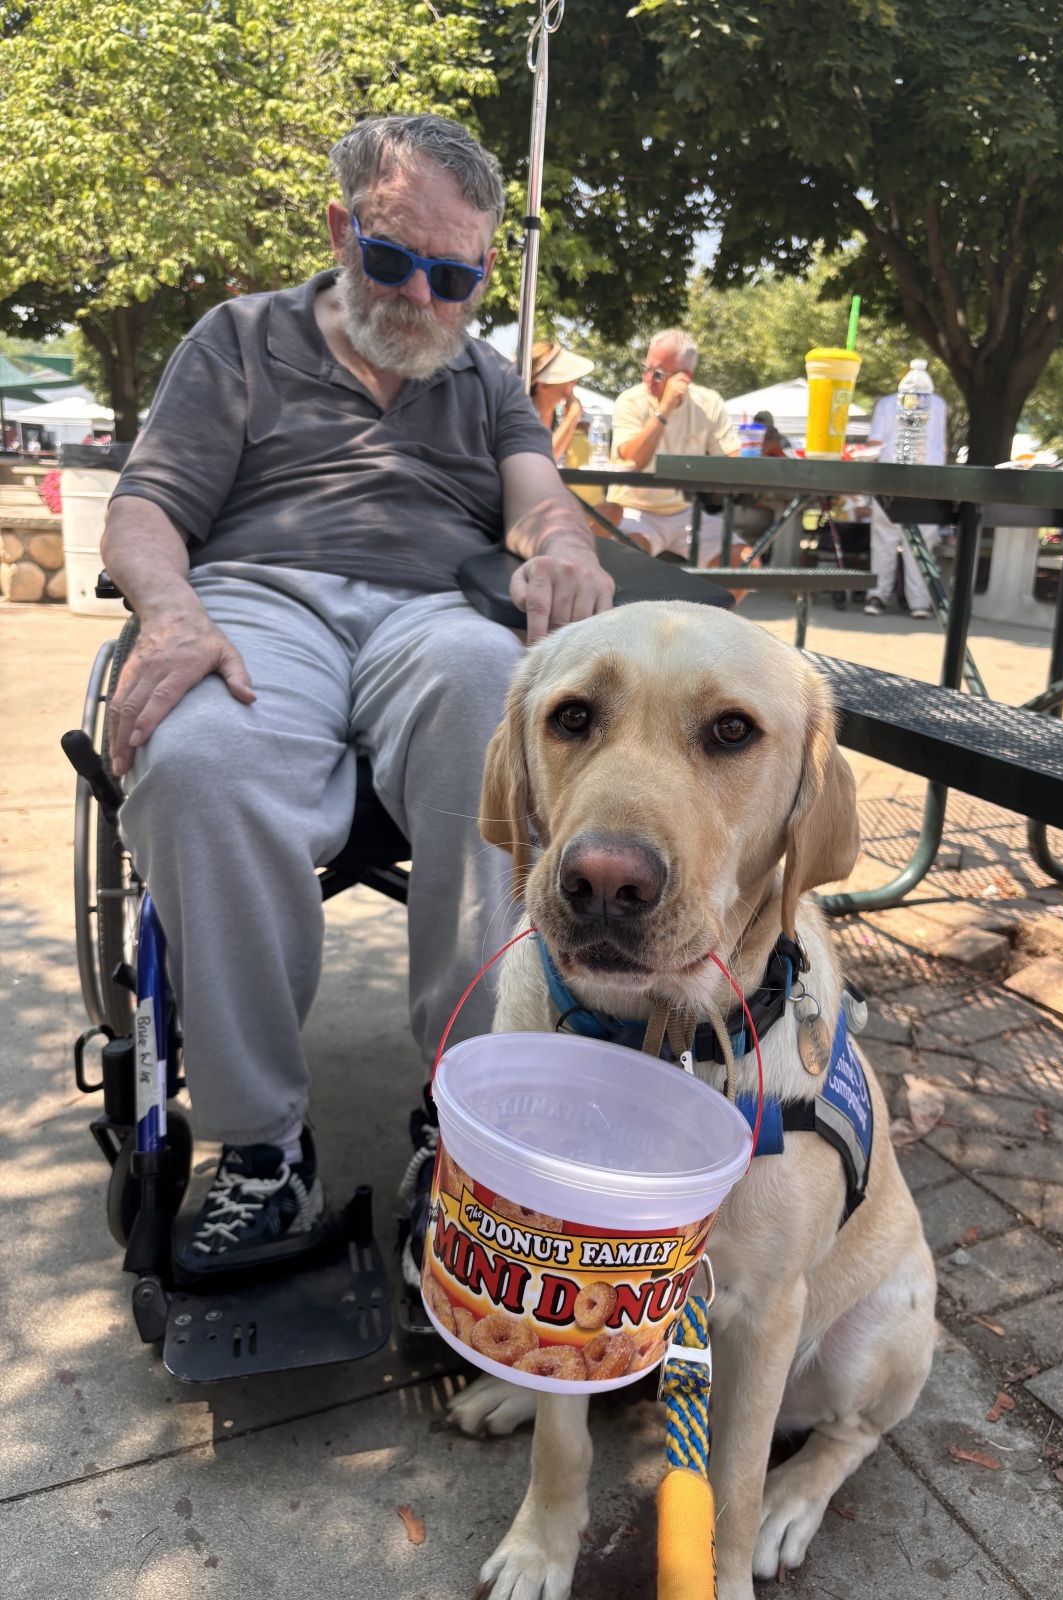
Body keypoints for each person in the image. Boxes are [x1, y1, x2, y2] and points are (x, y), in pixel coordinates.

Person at [100, 113, 613, 1273]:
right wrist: (172, 613)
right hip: (260, 598)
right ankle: (266, 1149)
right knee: (195, 761)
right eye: (393, 261)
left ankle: (470, 1119)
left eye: (456, 278)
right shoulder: (239, 339)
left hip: (433, 612)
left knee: (502, 694)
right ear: (340, 230)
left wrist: (561, 550)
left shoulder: (482, 377)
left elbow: (540, 502)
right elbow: (144, 511)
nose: (423, 299)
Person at [607, 329, 745, 564]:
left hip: (688, 514)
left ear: (685, 377)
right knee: (627, 557)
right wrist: (665, 409)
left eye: (658, 374)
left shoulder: (708, 402)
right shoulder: (630, 400)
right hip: (632, 509)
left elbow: (733, 460)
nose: (648, 379)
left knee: (744, 562)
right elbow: (632, 460)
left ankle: (707, 603)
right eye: (645, 368)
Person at [862, 371, 949, 620]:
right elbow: (941, 446)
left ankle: (878, 594)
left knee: (885, 539)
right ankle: (919, 600)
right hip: (928, 479)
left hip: (892, 477)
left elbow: (874, 443)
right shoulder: (939, 404)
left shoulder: (888, 403)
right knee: (921, 541)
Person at [529, 340, 594, 464]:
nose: (574, 380)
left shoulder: (558, 415)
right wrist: (573, 415)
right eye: (568, 378)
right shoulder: (522, 414)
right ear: (543, 386)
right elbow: (545, 457)